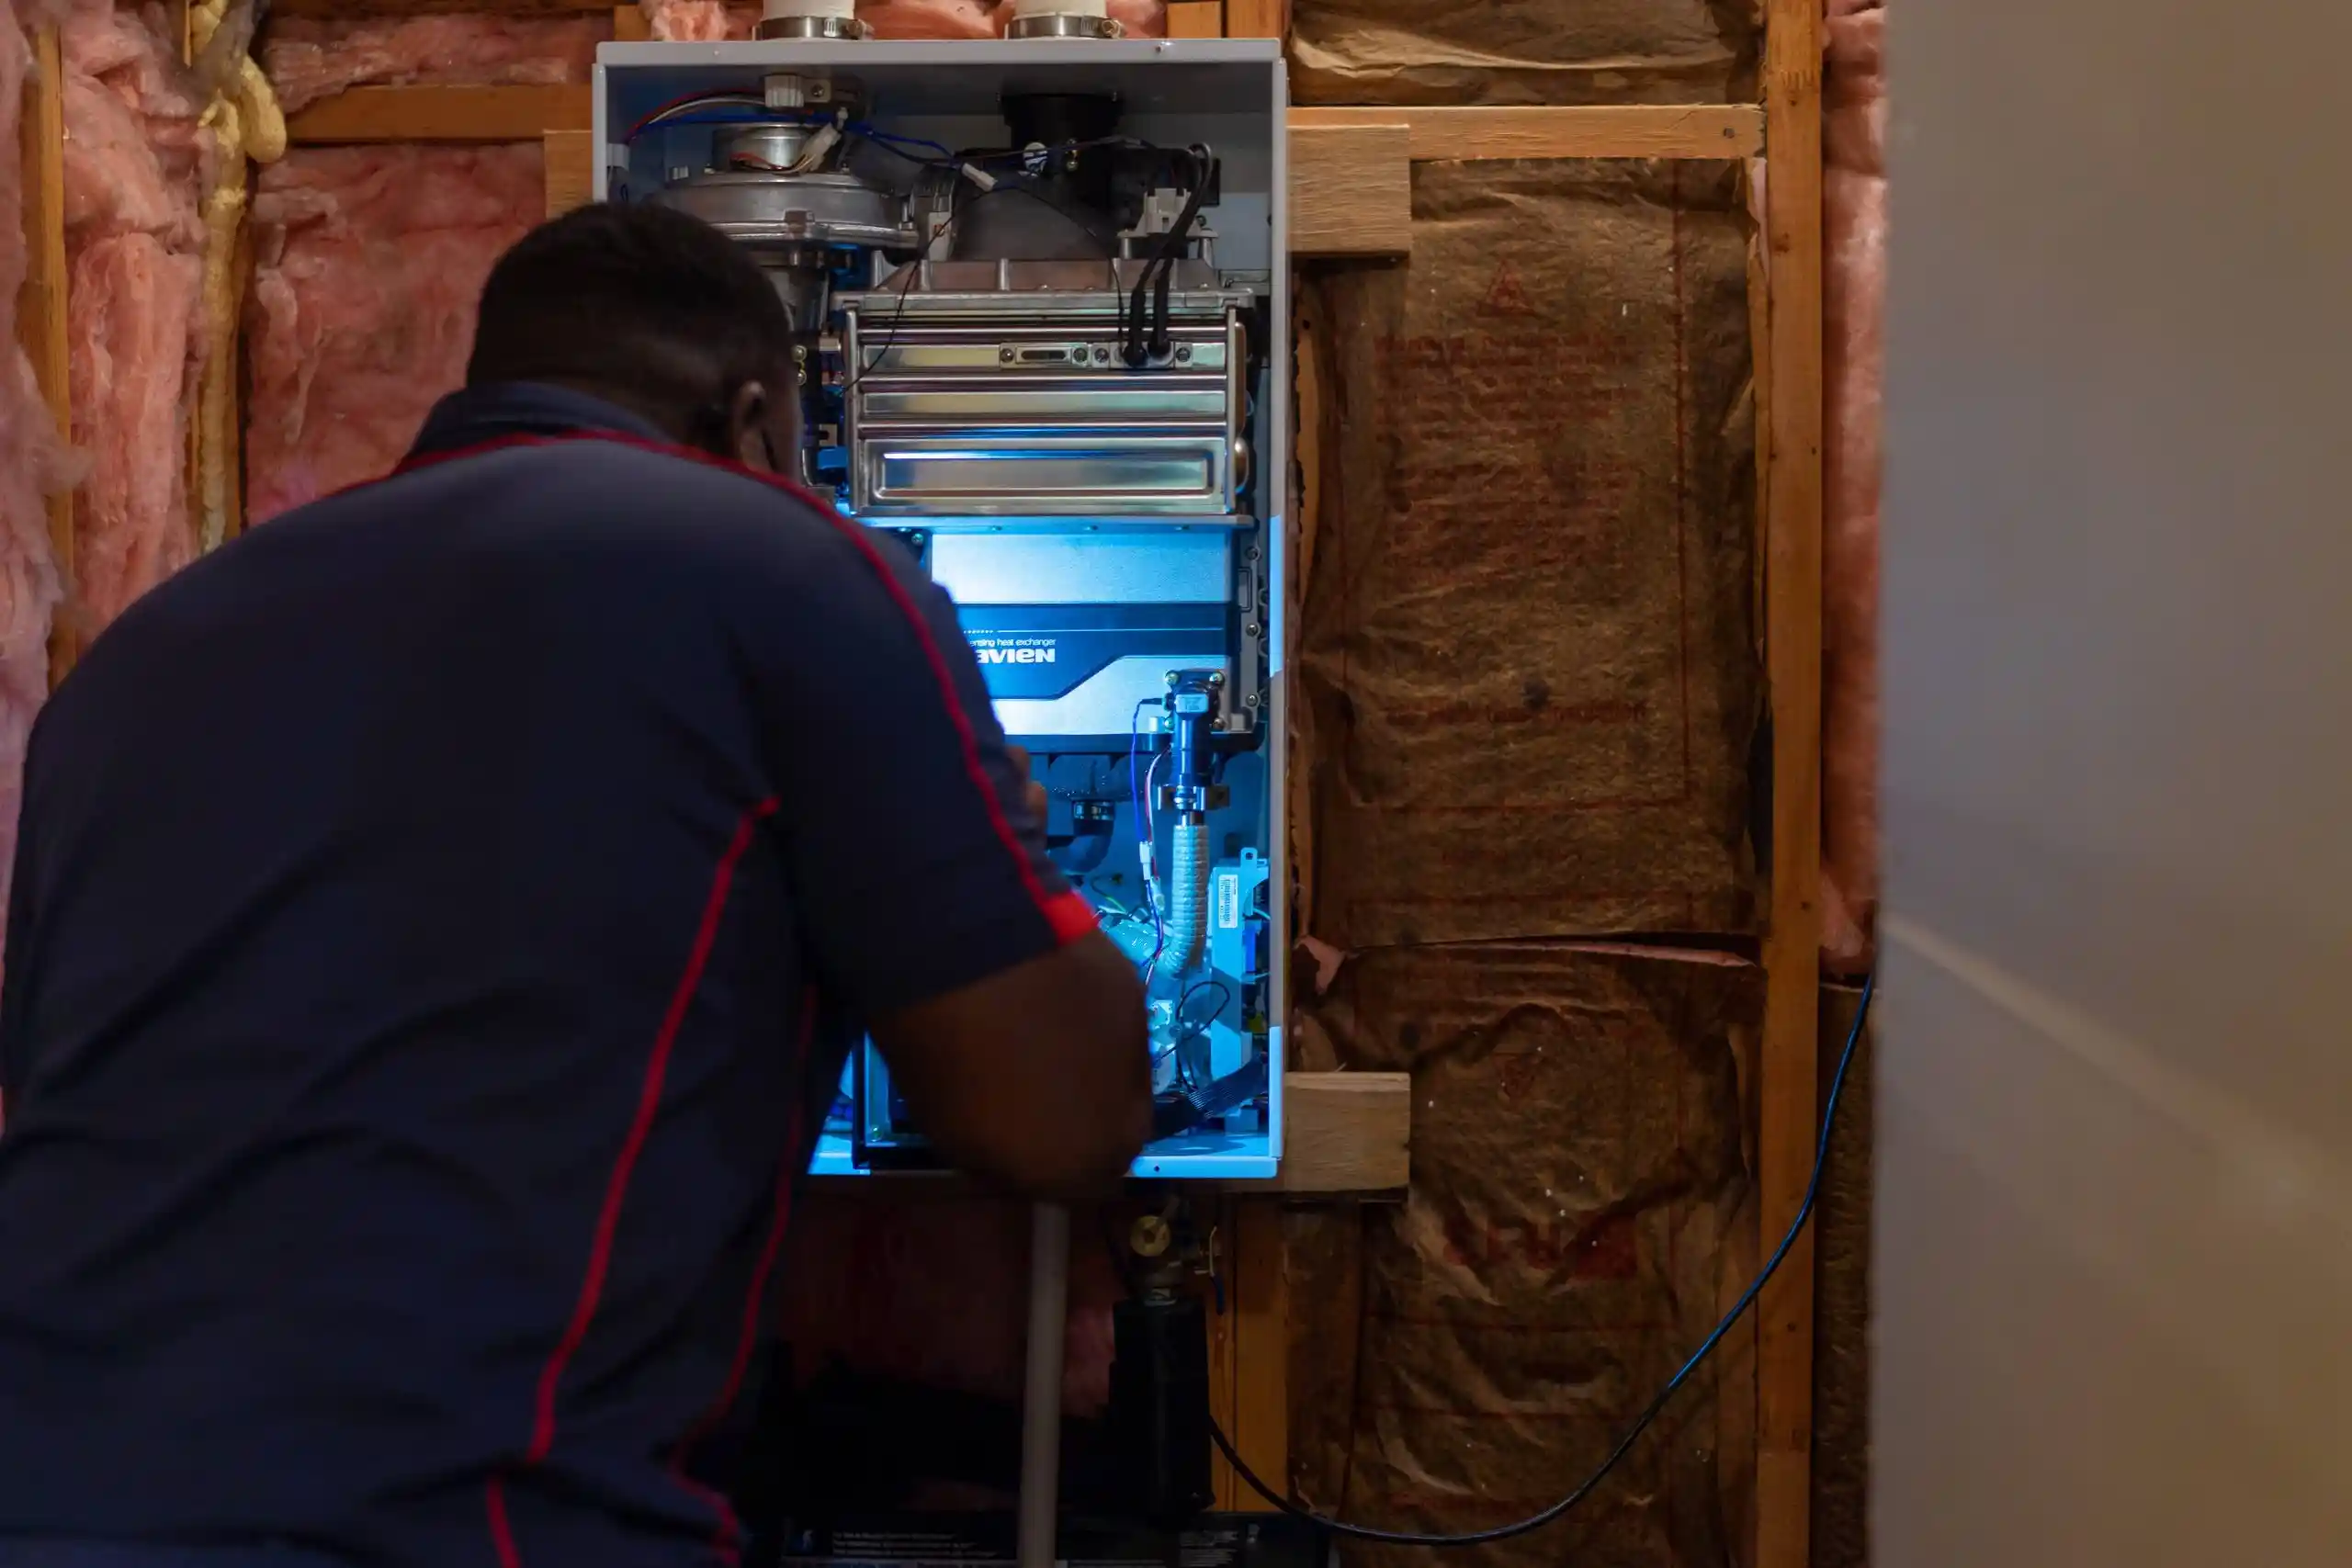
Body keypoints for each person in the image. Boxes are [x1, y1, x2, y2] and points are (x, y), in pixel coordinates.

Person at [0, 203, 1152, 1568]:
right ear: (753, 426)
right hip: (471, 1515)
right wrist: (984, 837)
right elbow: (1064, 1121)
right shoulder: (790, 564)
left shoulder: (146, 651)